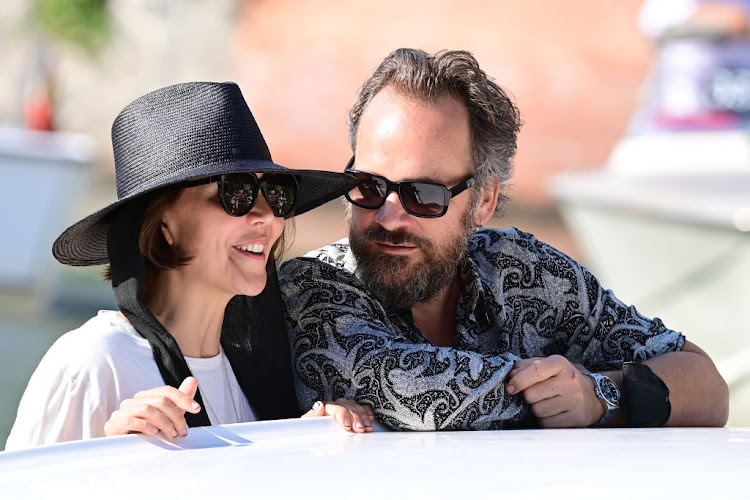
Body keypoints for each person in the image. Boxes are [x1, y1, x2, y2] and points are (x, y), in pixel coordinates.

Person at [278, 49, 729, 431]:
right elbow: (414, 392)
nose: (388, 215)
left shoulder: (525, 270)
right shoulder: (312, 288)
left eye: (424, 195)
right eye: (370, 185)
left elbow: (705, 384)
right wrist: (571, 395)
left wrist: (599, 394)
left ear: (483, 201)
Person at [6, 81, 373, 450]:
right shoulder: (93, 364)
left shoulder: (260, 370)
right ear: (164, 224)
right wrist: (112, 457)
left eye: (276, 194)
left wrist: (303, 443)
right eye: (236, 193)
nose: (268, 218)